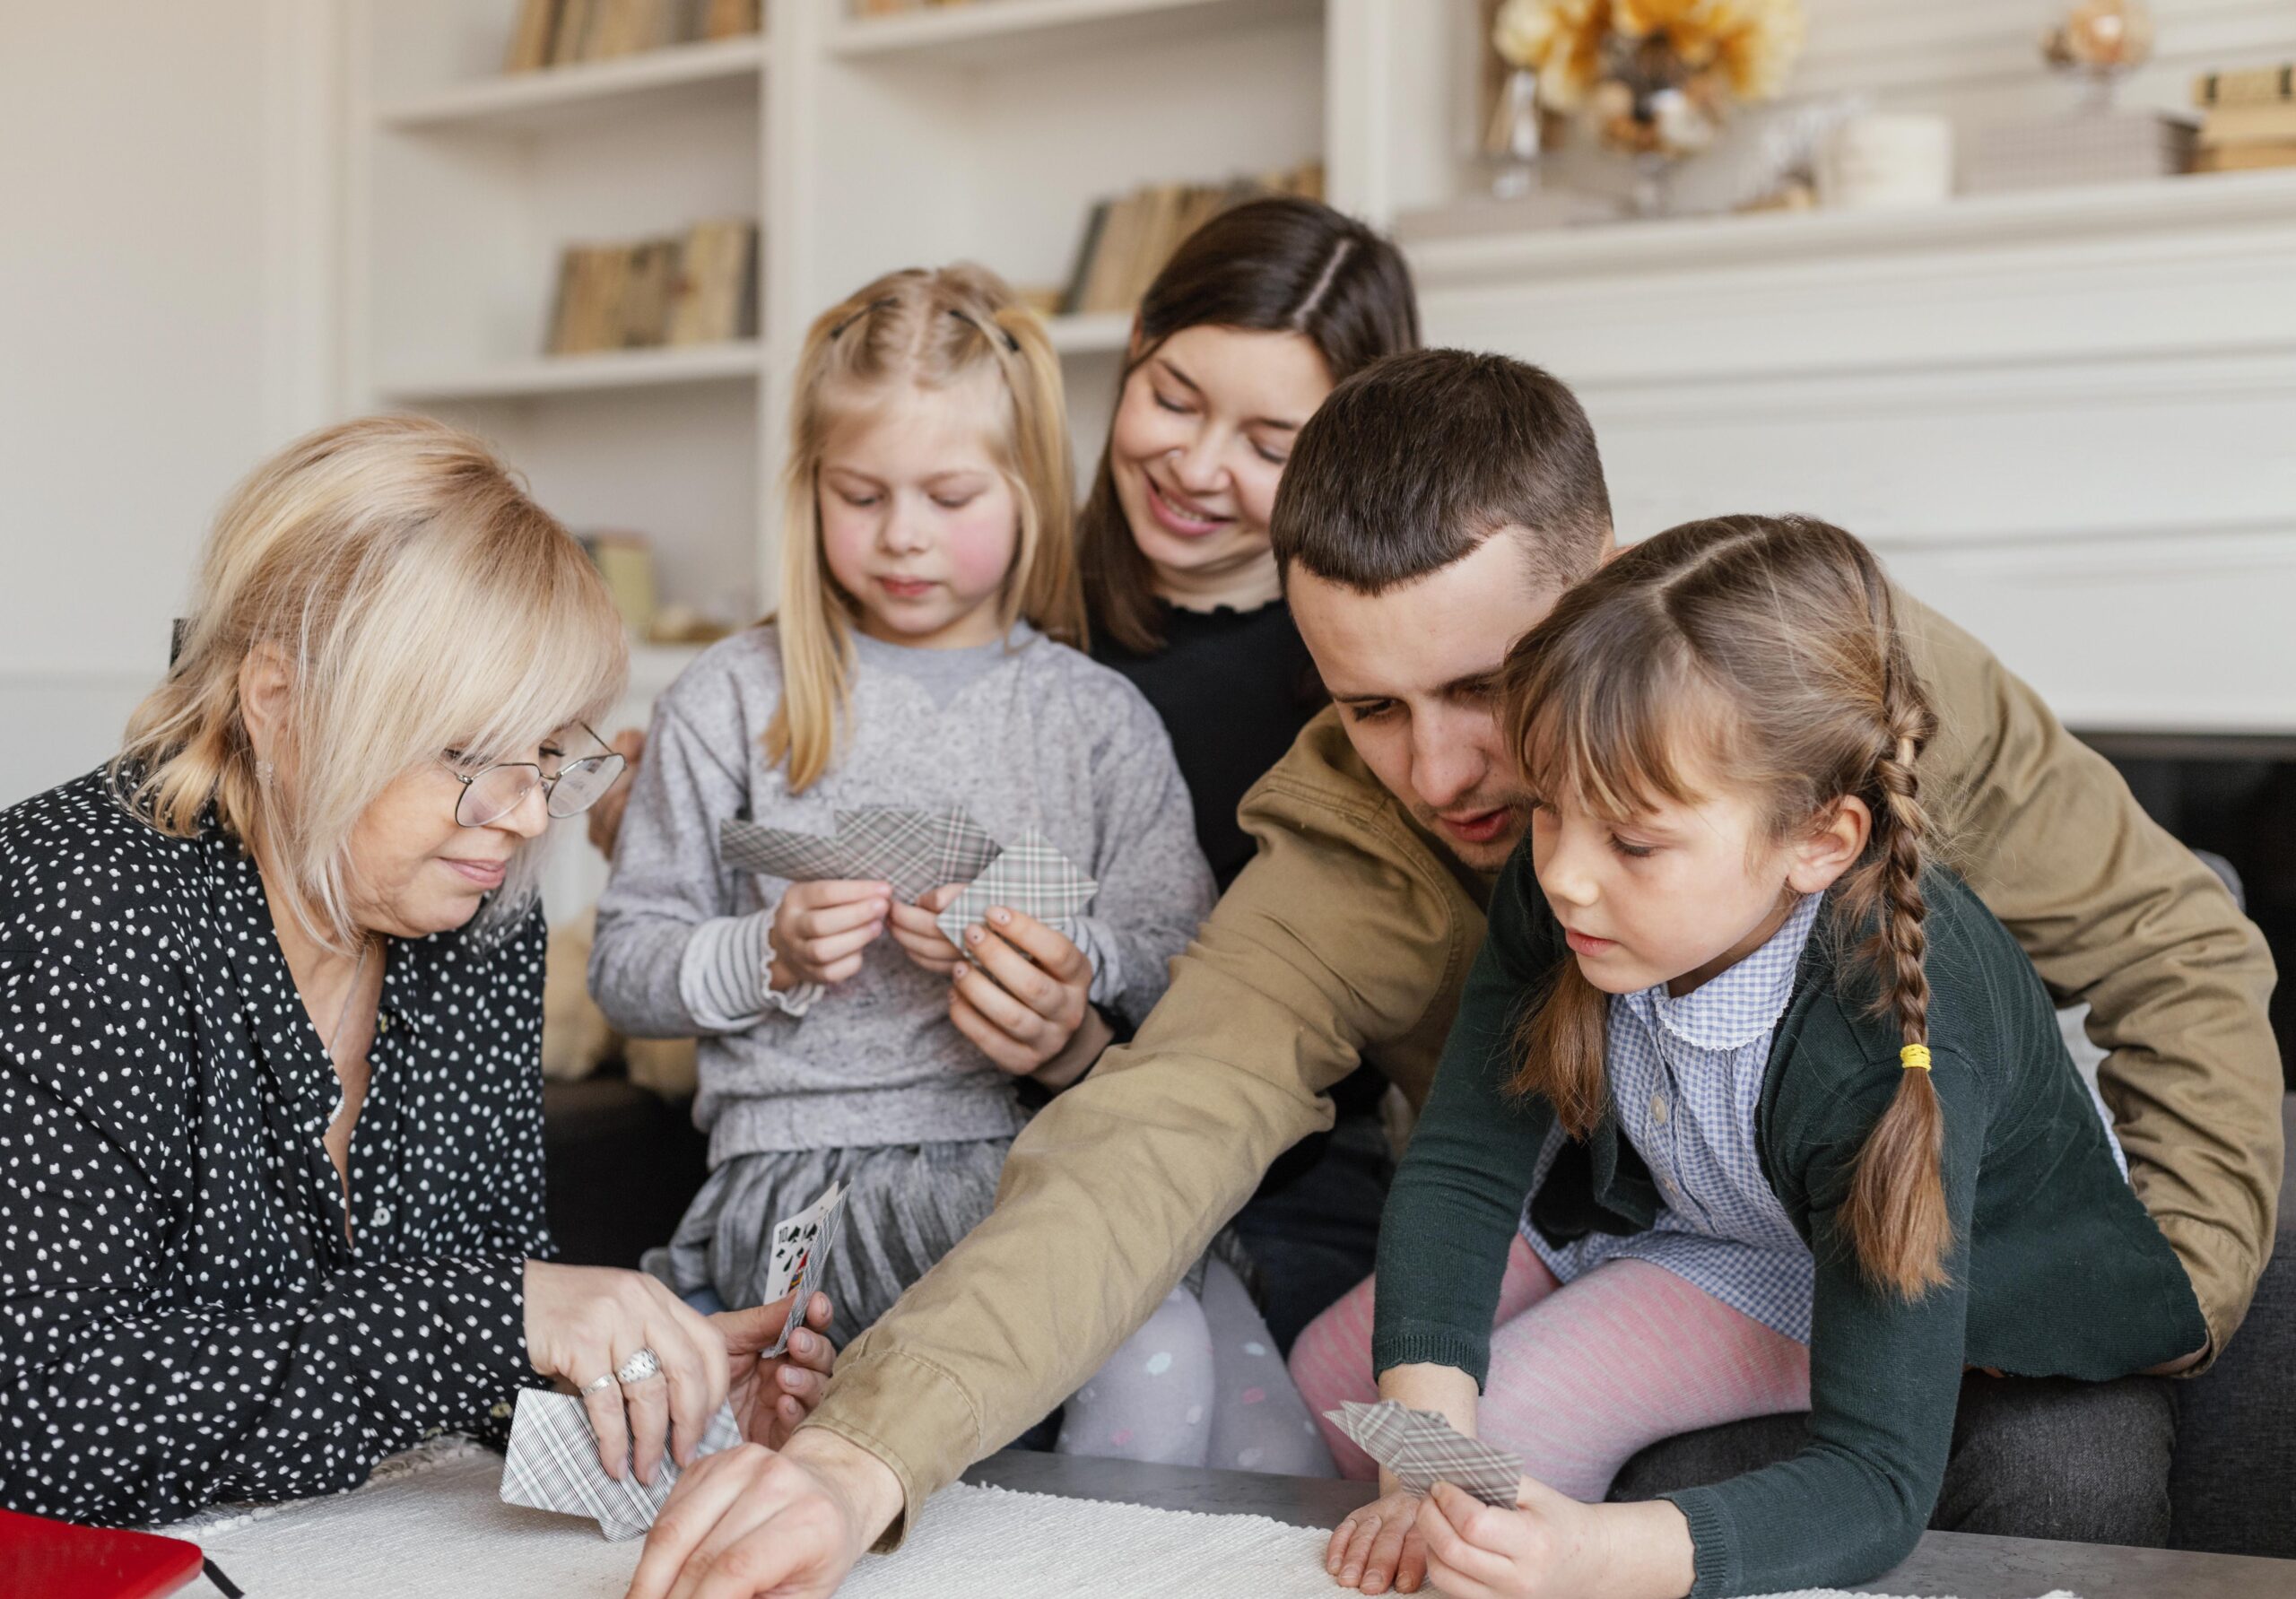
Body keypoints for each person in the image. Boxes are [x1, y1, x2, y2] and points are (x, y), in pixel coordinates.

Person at [623, 352, 2281, 1599]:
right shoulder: (1362, 840)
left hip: (1900, 1215)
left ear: (1610, 581)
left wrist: (2188, 1283)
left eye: (1488, 683)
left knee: (2056, 1460)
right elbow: (1150, 1134)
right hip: (1630, 1220)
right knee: (1367, 1391)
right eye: (1371, 705)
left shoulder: (1832, 676)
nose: (1447, 771)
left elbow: (2175, 943)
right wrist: (867, 1451)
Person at [1315, 513, 2207, 1597]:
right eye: (1549, 811)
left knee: (1524, 1421)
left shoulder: (1886, 1048)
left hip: (1874, 1261)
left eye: (1634, 842)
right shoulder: (1572, 886)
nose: (1564, 878)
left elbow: (1876, 1480)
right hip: (1708, 1205)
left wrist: (1589, 1556)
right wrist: (1417, 1447)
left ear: (1817, 842)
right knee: (1340, 1369)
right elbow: (1462, 1163)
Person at [0, 416, 834, 1528]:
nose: (531, 812)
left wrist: (646, 1394)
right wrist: (492, 1318)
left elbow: (456, 1347)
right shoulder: (75, 911)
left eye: (549, 753)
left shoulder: (478, 918)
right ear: (279, 703)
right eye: (465, 753)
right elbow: (45, 1418)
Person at [588, 266, 1325, 1476]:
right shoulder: (734, 694)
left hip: (1038, 1160)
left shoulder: (1092, 717)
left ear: (1029, 487)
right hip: (809, 1182)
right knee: (1155, 1350)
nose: (904, 534)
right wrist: (764, 951)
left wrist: (1061, 948)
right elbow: (627, 960)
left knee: (1254, 1422)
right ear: (809, 489)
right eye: (860, 493)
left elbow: (1180, 949)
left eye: (950, 493)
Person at [1077, 196, 1421, 1355]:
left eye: (1271, 447)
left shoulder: (1369, 687)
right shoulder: (982, 577)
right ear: (1134, 343)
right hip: (963, 1137)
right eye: (1173, 398)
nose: (1197, 464)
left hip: (1277, 1169)